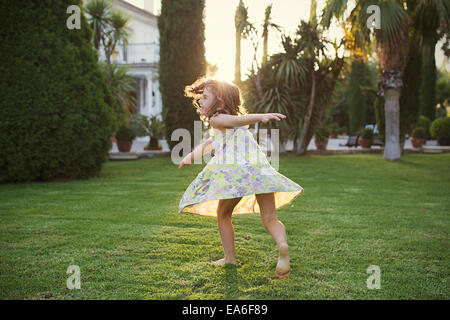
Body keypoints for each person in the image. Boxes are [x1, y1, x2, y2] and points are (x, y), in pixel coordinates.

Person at [177, 77, 304, 278]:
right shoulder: (228, 125)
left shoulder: (218, 119)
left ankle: (230, 259)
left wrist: (260, 117)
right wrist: (189, 157)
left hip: (237, 176)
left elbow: (238, 120)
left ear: (219, 103)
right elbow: (210, 143)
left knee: (223, 214)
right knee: (270, 218)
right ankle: (282, 245)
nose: (200, 101)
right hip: (260, 173)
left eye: (206, 97)